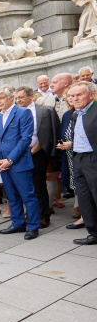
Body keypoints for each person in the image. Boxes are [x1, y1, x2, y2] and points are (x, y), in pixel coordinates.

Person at [0, 86, 41, 240]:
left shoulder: (23, 112)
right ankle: (18, 223)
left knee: (28, 196)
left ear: (11, 97)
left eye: (1, 98)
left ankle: (33, 226)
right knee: (11, 196)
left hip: (19, 163)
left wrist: (10, 160)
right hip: (2, 164)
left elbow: (26, 139)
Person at [57, 82, 97, 245]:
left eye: (79, 95)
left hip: (93, 159)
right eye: (72, 96)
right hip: (78, 158)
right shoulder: (75, 114)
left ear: (92, 95)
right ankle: (93, 233)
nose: (74, 98)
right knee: (84, 198)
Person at [16, 86, 61, 228]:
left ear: (31, 96)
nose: (18, 100)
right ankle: (30, 215)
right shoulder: (14, 113)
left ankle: (43, 215)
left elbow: (48, 132)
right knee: (25, 187)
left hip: (38, 153)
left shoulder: (45, 111)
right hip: (20, 154)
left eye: (21, 97)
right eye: (16, 98)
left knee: (38, 185)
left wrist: (34, 150)